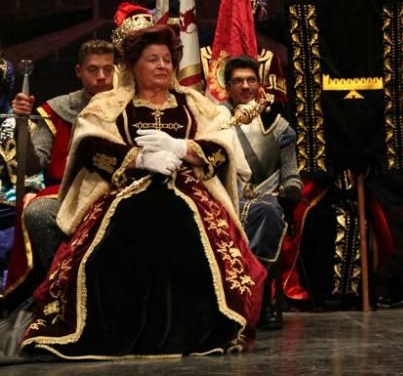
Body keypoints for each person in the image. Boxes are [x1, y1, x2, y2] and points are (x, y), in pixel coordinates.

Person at [21, 25, 266, 358]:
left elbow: (222, 145)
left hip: (189, 189)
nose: (163, 66)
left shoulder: (195, 104)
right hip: (123, 189)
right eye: (153, 59)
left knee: (188, 227)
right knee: (118, 233)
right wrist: (138, 158)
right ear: (134, 65)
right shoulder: (110, 104)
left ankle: (197, 328)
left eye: (167, 59)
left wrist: (184, 149)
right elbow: (89, 144)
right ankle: (115, 328)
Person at [4, 39, 117, 305]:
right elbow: (34, 164)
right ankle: (60, 291)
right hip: (67, 192)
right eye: (93, 69)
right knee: (37, 212)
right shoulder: (56, 110)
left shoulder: (131, 105)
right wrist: (22, 125)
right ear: (79, 71)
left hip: (118, 188)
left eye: (108, 69)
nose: (101, 76)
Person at [225, 55, 301, 330]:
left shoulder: (278, 125)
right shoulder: (215, 120)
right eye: (238, 81)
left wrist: (291, 191)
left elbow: (291, 172)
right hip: (226, 196)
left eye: (251, 80)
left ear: (259, 85)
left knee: (268, 212)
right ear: (227, 88)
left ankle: (262, 299)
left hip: (268, 197)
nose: (245, 86)